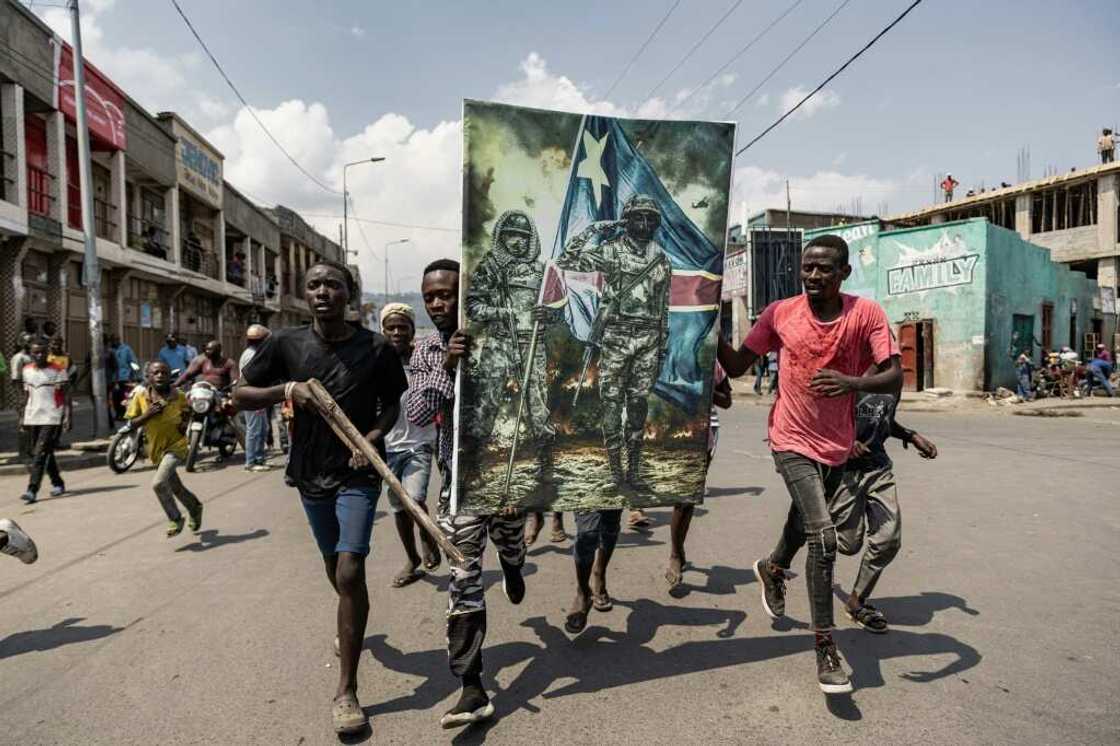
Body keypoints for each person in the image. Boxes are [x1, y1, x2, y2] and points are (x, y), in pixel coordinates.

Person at [717, 233, 901, 694]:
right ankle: (825, 646)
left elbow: (894, 375)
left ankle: (775, 567)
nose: (814, 276)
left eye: (824, 269)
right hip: (790, 437)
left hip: (837, 444)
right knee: (823, 535)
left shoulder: (866, 314)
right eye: (808, 268)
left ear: (844, 273)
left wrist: (853, 382)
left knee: (803, 520)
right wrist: (709, 328)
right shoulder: (780, 313)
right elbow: (739, 366)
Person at [235, 259, 407, 735]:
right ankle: (351, 620)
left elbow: (392, 403)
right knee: (335, 568)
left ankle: (347, 690)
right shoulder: (285, 343)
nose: (323, 292)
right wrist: (287, 388)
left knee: (351, 568)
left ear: (348, 294)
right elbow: (240, 393)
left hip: (359, 472)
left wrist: (372, 437)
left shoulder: (375, 347)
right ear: (306, 294)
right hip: (310, 473)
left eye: (333, 284)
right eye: (314, 285)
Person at [406, 259, 525, 729]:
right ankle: (472, 686)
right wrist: (449, 366)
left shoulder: (502, 335)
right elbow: (417, 411)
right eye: (430, 296)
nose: (438, 303)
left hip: (507, 476)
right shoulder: (426, 349)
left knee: (511, 544)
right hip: (460, 485)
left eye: (447, 294)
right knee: (463, 579)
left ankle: (514, 565)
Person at [556, 194, 672, 495]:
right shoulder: (611, 252)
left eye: (650, 218)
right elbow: (566, 259)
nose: (644, 223)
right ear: (627, 220)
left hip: (648, 339)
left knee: (637, 406)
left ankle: (633, 472)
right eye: (638, 217)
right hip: (617, 336)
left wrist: (661, 345)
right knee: (611, 405)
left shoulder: (662, 258)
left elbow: (663, 307)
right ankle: (614, 473)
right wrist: (595, 228)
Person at [830, 384, 937, 633]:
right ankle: (810, 529)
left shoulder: (893, 381)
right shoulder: (848, 376)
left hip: (879, 469)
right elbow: (819, 421)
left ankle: (857, 602)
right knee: (848, 544)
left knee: (889, 539)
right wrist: (846, 440)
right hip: (844, 473)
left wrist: (911, 436)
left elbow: (884, 421)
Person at [379, 302, 442, 587]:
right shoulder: (377, 363)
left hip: (420, 442)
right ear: (383, 330)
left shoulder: (423, 360)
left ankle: (428, 536)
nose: (396, 332)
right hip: (387, 448)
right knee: (398, 509)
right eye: (390, 327)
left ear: (412, 330)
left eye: (402, 327)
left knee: (414, 498)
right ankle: (412, 559)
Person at [665, 363, 732, 592]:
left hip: (706, 434)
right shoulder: (670, 354)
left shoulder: (713, 363)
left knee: (690, 499)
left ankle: (679, 549)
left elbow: (727, 401)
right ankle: (675, 553)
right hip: (674, 432)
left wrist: (706, 390)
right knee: (682, 498)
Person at [126, 361, 204, 537]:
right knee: (175, 487)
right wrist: (148, 414)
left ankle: (175, 518)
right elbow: (131, 423)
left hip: (176, 446)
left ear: (170, 376)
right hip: (156, 449)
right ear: (149, 377)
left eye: (164, 372)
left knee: (159, 483)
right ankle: (195, 507)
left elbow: (187, 412)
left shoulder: (179, 395)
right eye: (156, 373)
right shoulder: (141, 397)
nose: (160, 375)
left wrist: (184, 423)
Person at [19, 338, 71, 503]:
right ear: (31, 353)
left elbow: (66, 395)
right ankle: (58, 482)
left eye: (42, 352)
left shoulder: (58, 370)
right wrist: (22, 417)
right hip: (32, 415)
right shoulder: (26, 370)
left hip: (52, 416)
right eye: (35, 352)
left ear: (48, 353)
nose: (39, 355)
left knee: (40, 452)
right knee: (43, 451)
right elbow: (26, 395)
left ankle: (32, 489)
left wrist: (68, 416)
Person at [239, 325, 272, 471]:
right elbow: (254, 377)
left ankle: (259, 458)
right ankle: (250, 462)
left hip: (257, 395)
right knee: (254, 430)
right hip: (253, 396)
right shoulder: (252, 355)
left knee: (262, 428)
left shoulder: (255, 352)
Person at [10, 333, 35, 464]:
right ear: (21, 343)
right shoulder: (19, 358)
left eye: (31, 340)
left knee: (31, 424)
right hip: (24, 396)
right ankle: (23, 453)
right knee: (24, 424)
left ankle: (30, 450)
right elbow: (16, 380)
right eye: (28, 341)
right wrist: (22, 398)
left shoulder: (32, 356)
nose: (30, 343)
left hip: (34, 395)